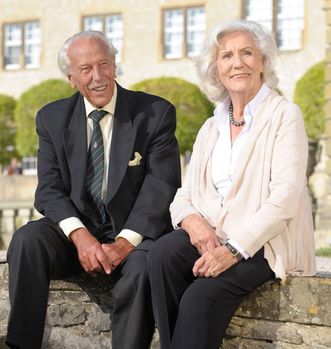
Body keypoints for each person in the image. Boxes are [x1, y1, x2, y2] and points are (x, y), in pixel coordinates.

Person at [6, 31, 181, 349]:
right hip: (76, 237)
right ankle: (20, 344)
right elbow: (48, 189)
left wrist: (125, 243)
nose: (98, 77)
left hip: (132, 238)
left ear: (115, 65)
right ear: (71, 78)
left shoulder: (155, 114)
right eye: (86, 69)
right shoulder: (51, 118)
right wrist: (80, 236)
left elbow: (162, 186)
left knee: (144, 266)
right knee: (26, 240)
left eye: (104, 64)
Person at [148, 19, 316, 349]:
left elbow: (284, 199)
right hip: (214, 235)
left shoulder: (285, 115)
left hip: (265, 244)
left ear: (263, 62)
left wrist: (232, 251)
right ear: (216, 68)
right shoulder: (211, 127)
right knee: (162, 255)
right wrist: (193, 223)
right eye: (226, 56)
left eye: (247, 53)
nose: (237, 63)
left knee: (200, 297)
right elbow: (184, 195)